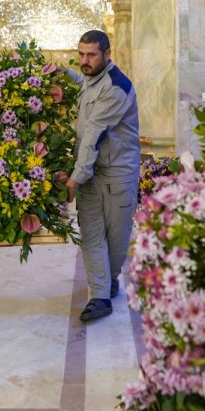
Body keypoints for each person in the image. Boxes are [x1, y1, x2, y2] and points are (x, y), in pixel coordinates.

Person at [65, 30, 141, 323]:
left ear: (108, 55)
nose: (84, 61)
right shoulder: (88, 80)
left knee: (116, 239)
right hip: (91, 175)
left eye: (91, 55)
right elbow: (77, 86)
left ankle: (108, 282)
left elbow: (93, 134)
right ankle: (99, 296)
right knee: (91, 235)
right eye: (81, 54)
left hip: (117, 175)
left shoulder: (116, 87)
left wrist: (75, 177)